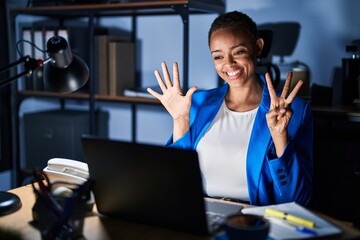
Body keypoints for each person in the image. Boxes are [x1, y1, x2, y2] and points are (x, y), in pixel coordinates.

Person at [147, 11, 313, 206]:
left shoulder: (294, 112)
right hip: (201, 214)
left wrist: (279, 137)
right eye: (218, 57)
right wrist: (180, 121)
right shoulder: (196, 103)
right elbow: (175, 181)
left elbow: (297, 201)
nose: (228, 64)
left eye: (238, 52)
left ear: (258, 47)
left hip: (255, 221)